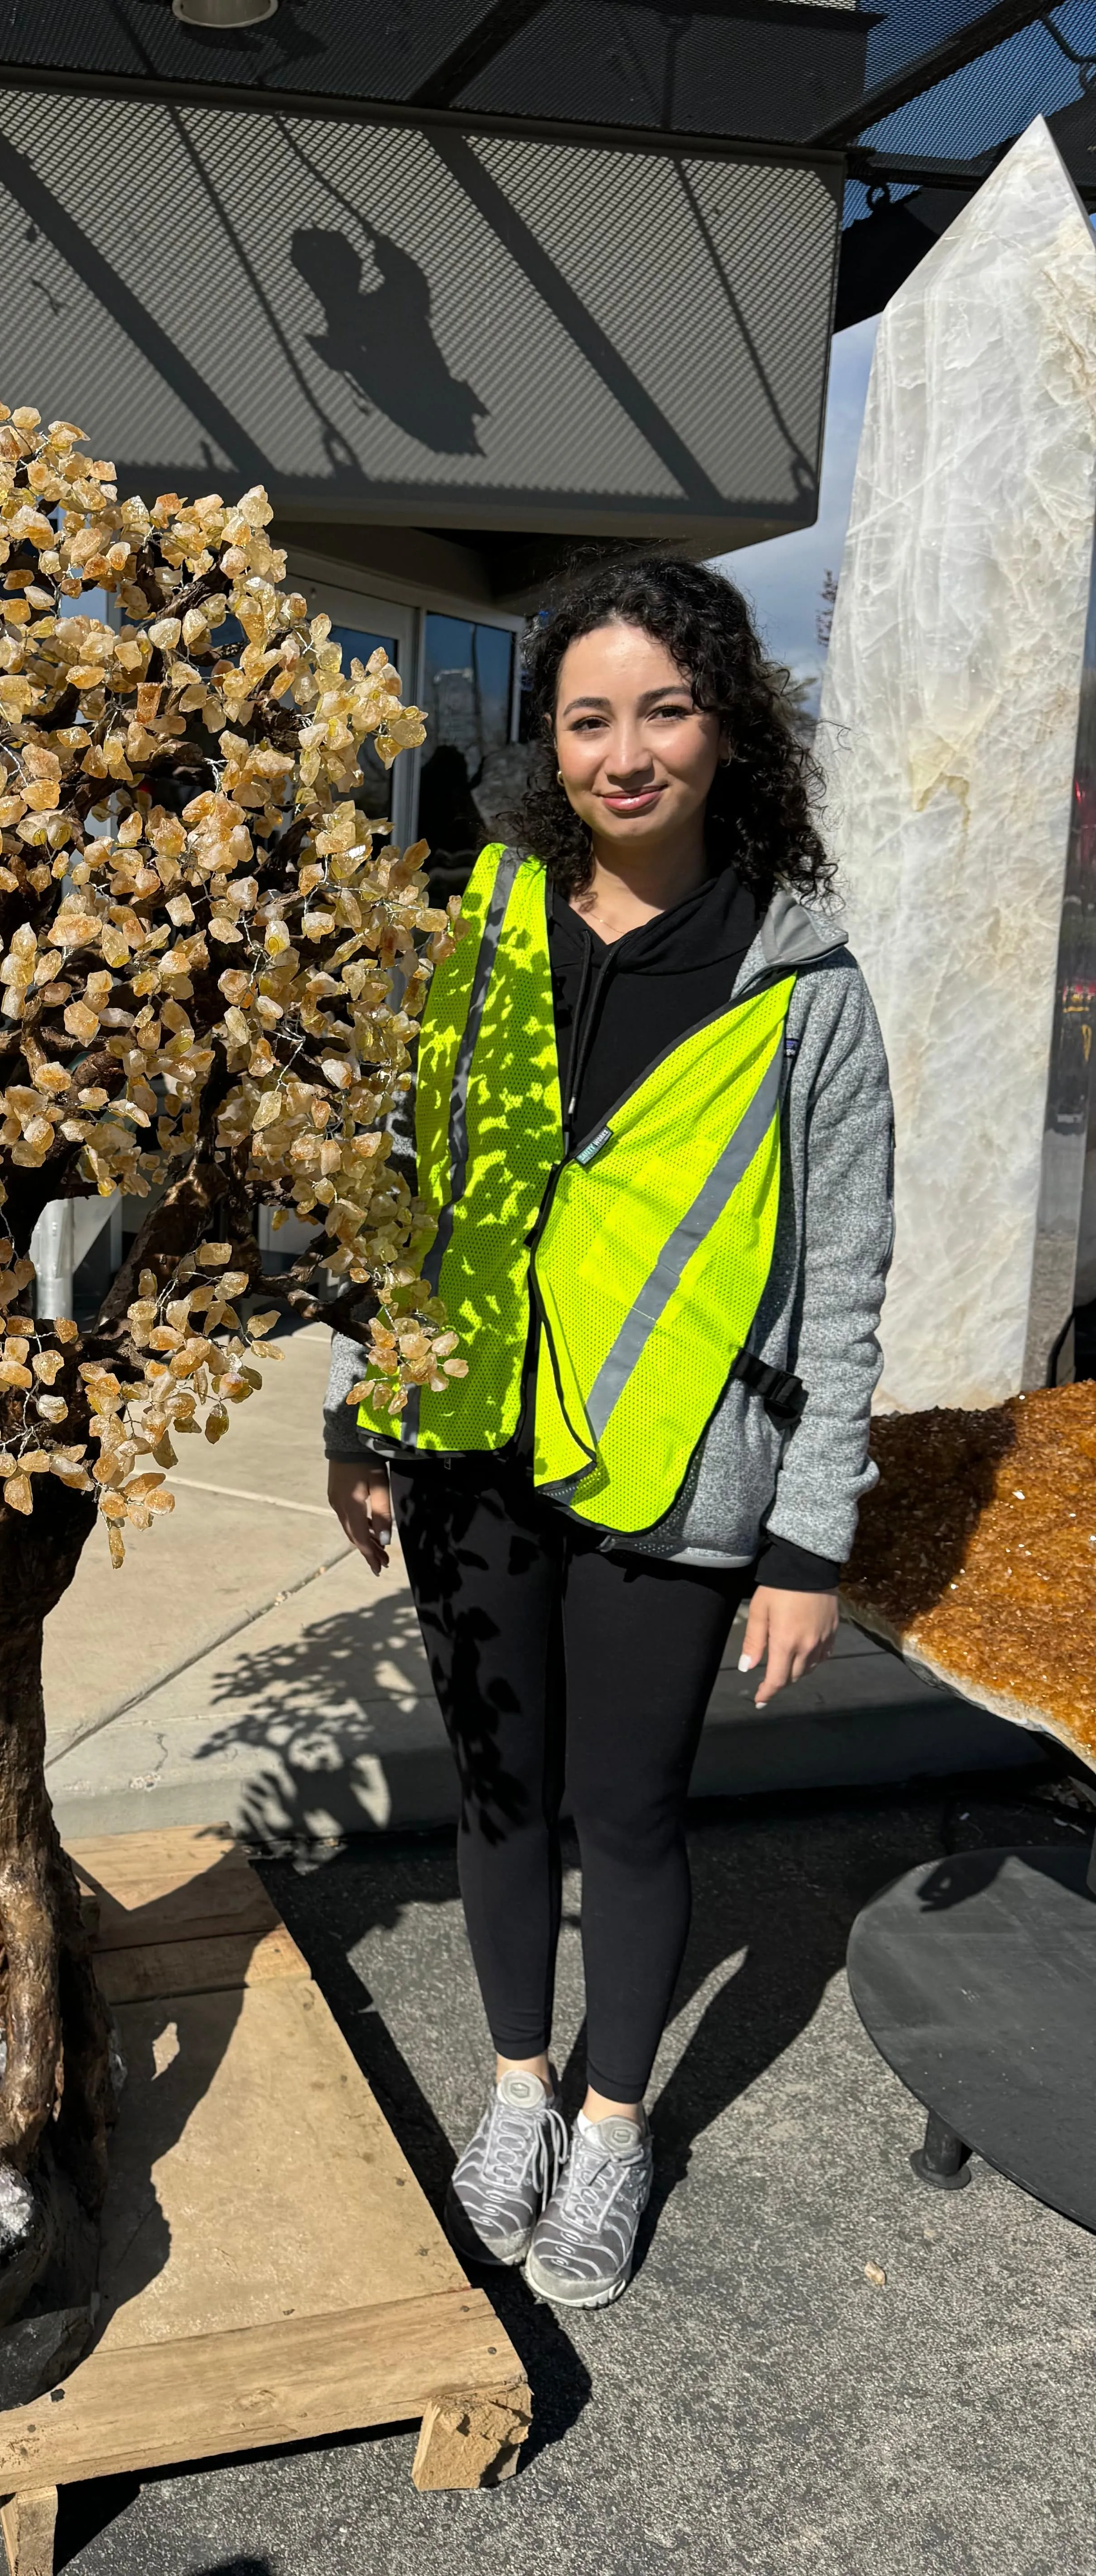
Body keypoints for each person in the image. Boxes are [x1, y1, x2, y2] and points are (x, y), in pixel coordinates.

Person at [325, 557, 893, 2310]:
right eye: (590, 718)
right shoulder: (487, 922)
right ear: (546, 743)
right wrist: (367, 1401)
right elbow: (414, 1186)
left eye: (664, 710)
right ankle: (516, 2087)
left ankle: (618, 2117)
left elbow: (848, 1282)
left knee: (626, 1816)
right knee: (500, 1795)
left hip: (675, 1474)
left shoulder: (808, 989)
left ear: (728, 730)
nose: (627, 751)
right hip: (475, 1446)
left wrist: (811, 1542)